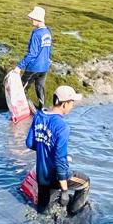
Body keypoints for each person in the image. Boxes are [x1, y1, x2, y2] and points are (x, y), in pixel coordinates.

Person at [25, 86, 90, 216]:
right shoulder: (62, 126)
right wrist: (65, 191)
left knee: (43, 212)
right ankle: (74, 214)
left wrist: (46, 149)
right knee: (85, 182)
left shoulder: (38, 116)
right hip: (56, 176)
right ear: (64, 104)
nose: (73, 106)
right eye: (72, 102)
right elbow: (60, 161)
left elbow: (30, 143)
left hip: (41, 175)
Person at [13, 6, 52, 111]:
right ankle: (43, 108)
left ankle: (25, 110)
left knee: (21, 89)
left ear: (38, 19)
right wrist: (48, 60)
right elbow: (49, 50)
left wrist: (19, 66)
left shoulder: (36, 34)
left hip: (33, 68)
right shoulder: (48, 32)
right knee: (40, 88)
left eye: (33, 18)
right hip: (44, 67)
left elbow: (32, 54)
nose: (31, 20)